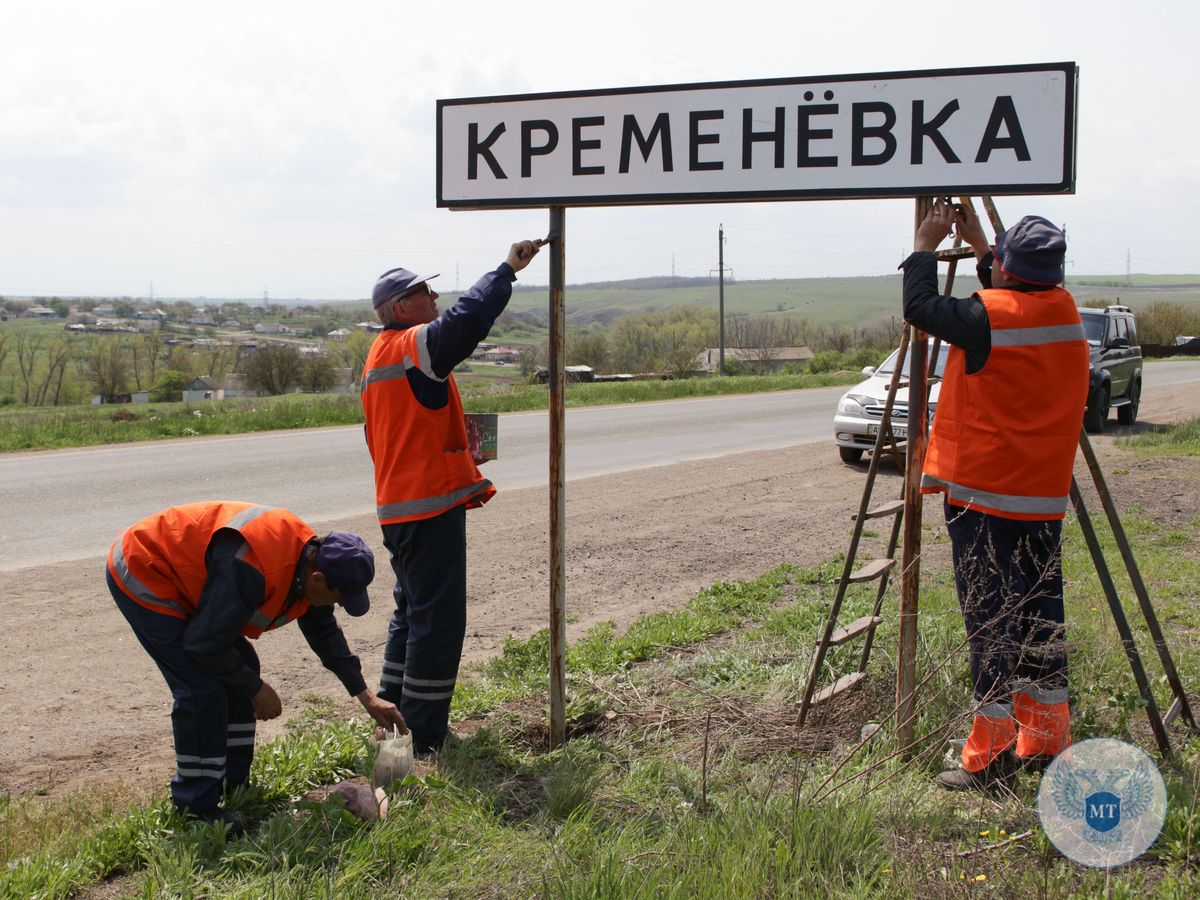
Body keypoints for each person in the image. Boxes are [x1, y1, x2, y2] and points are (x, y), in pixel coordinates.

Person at [900, 200, 1089, 792]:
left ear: (1007, 272)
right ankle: (1045, 737)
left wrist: (926, 247)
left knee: (990, 624)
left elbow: (921, 308)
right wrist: (984, 244)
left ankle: (989, 759)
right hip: (1040, 501)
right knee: (1040, 617)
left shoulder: (992, 316)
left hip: (985, 500)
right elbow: (1009, 297)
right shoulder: (1064, 313)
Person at [107, 501, 407, 832]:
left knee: (241, 665)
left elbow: (324, 634)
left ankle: (233, 783)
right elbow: (202, 644)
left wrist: (365, 696)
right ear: (319, 579)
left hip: (190, 576)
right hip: (145, 568)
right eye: (338, 599)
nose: (336, 606)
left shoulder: (309, 564)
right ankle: (195, 808)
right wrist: (255, 688)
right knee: (201, 690)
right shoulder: (253, 568)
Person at [362, 239, 541, 754]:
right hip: (427, 506)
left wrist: (456, 451)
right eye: (424, 291)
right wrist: (507, 269)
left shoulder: (378, 356)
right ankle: (422, 739)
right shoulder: (414, 344)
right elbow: (469, 319)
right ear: (401, 307)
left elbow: (395, 433)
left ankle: (394, 717)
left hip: (398, 505)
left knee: (411, 613)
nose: (435, 297)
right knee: (438, 623)